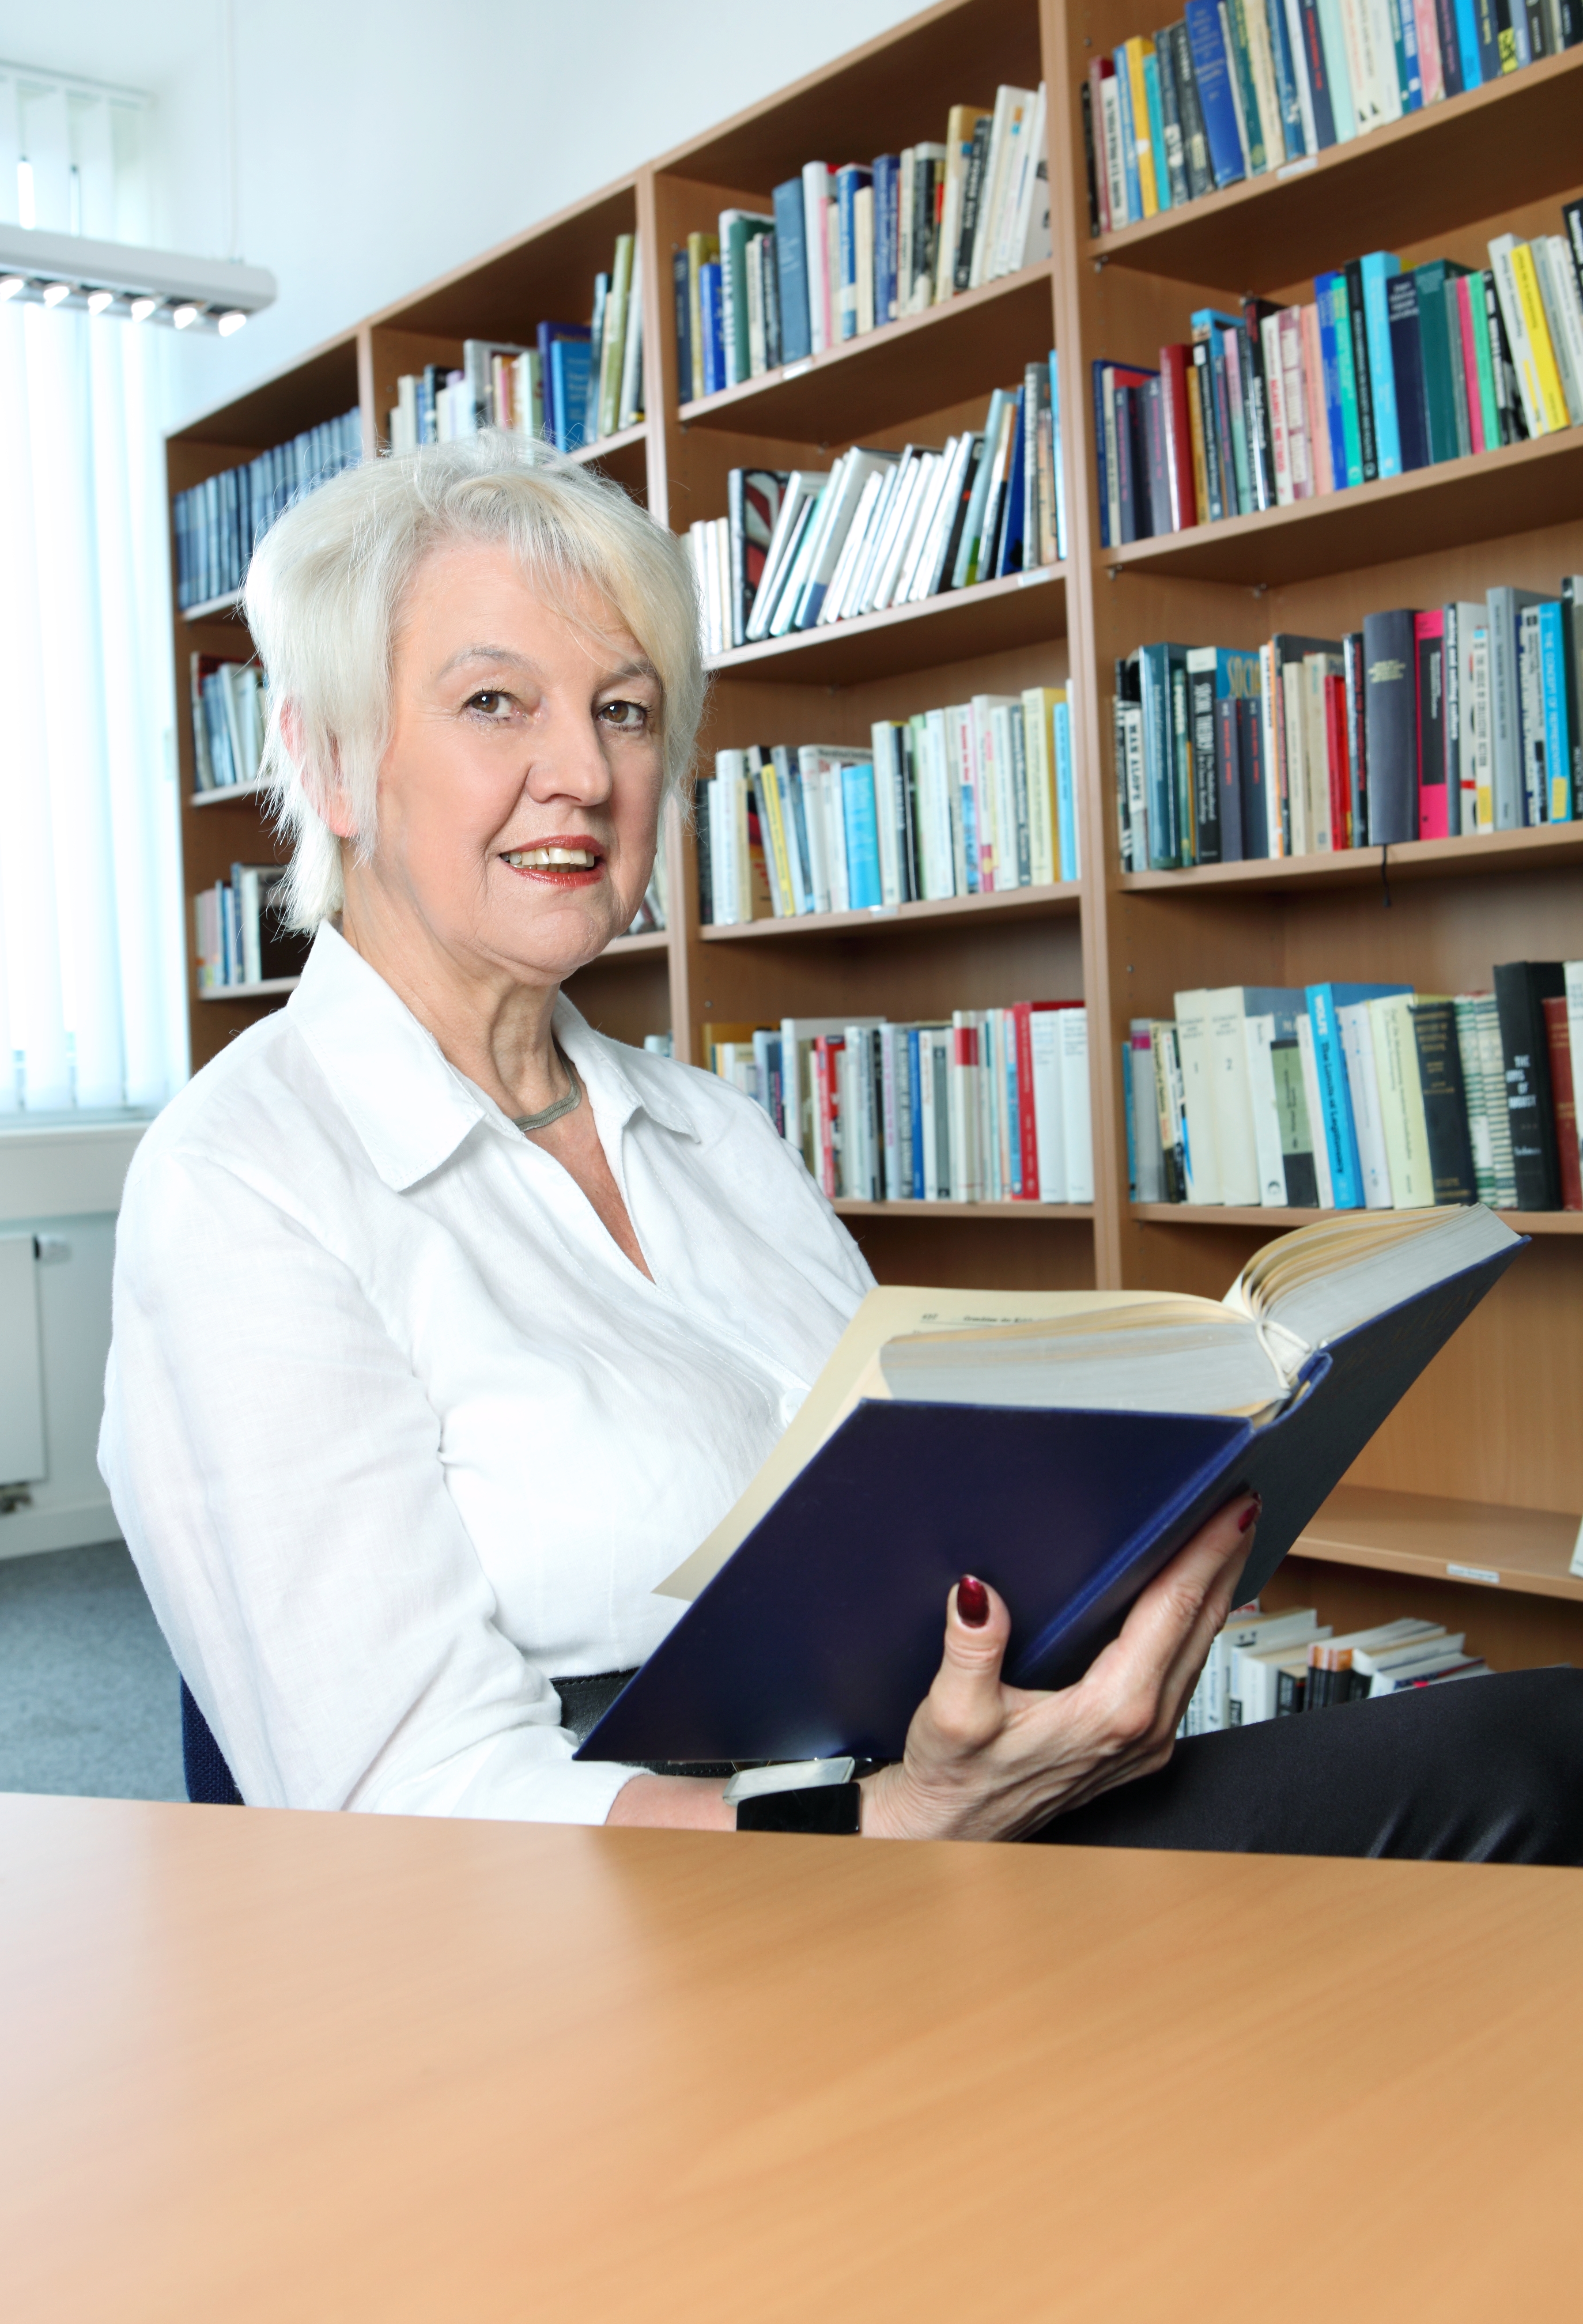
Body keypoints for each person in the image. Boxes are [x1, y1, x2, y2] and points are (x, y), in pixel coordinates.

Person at [101, 437, 1582, 1857]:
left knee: (1538, 1750)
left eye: (623, 711)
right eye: (497, 703)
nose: (584, 774)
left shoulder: (715, 1131)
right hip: (662, 1934)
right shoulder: (244, 1185)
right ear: (331, 761)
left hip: (942, 1816)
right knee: (1514, 1790)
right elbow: (405, 1801)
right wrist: (888, 1829)